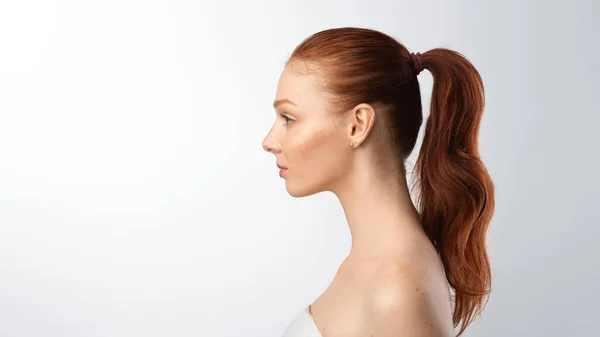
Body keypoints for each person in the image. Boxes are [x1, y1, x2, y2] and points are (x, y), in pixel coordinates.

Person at [262, 27, 495, 337]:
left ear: (358, 125)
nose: (269, 141)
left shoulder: (397, 291)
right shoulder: (375, 265)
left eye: (288, 119)